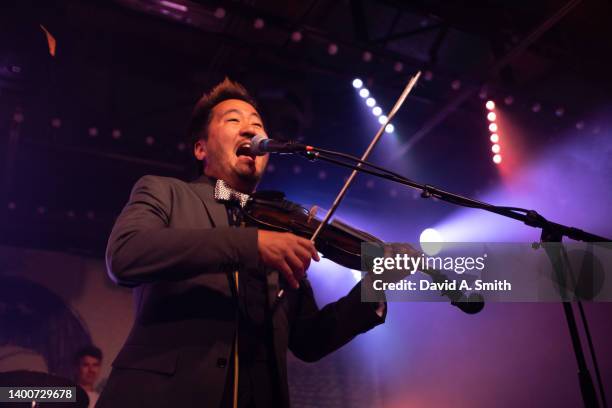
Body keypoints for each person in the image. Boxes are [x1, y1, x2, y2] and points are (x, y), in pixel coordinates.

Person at [96, 78, 386, 408]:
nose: (250, 131)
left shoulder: (279, 227)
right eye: (233, 120)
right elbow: (124, 254)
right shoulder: (166, 192)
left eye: (257, 125)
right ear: (200, 148)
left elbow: (310, 340)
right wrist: (250, 244)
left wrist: (374, 286)